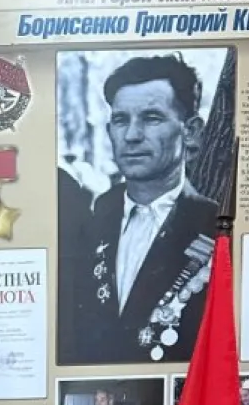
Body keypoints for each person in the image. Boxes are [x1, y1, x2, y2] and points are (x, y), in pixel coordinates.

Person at [58, 56, 220, 366]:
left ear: (190, 131)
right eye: (121, 120)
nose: (132, 135)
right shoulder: (91, 220)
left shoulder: (212, 226)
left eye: (151, 118)